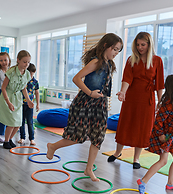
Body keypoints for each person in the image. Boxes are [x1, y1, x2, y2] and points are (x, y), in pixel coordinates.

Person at [46, 33, 123, 181]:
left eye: (118, 50)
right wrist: (90, 92)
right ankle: (53, 147)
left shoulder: (109, 64)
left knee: (98, 137)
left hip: (100, 104)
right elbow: (76, 78)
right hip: (85, 103)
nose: (116, 53)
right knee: (78, 137)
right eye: (114, 49)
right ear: (106, 46)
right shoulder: (96, 62)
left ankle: (89, 169)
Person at [107, 32, 164, 169]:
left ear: (149, 45)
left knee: (142, 127)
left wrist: (160, 102)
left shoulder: (157, 60)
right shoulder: (131, 59)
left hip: (147, 99)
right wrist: (122, 92)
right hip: (131, 97)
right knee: (125, 124)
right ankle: (118, 152)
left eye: (143, 45)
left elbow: (159, 84)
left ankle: (136, 158)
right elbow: (127, 78)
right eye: (138, 45)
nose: (140, 47)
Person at [137, 74, 173, 194]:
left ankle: (170, 183)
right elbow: (158, 120)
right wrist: (160, 135)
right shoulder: (168, 103)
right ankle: (143, 181)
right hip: (165, 136)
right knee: (163, 161)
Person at [0, 50, 34, 149]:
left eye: (28, 62)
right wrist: (8, 102)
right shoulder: (11, 72)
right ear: (18, 60)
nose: (27, 64)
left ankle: (9, 139)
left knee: (18, 123)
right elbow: (3, 88)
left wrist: (28, 100)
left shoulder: (27, 74)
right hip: (8, 97)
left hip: (18, 99)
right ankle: (6, 141)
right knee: (11, 123)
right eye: (24, 62)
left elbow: (24, 88)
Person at [18, 63, 40, 145]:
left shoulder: (35, 82)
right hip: (21, 104)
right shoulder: (23, 81)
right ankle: (22, 137)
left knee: (30, 122)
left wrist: (38, 104)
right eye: (30, 73)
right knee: (21, 121)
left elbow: (37, 93)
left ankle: (31, 139)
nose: (31, 75)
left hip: (30, 105)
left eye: (33, 74)